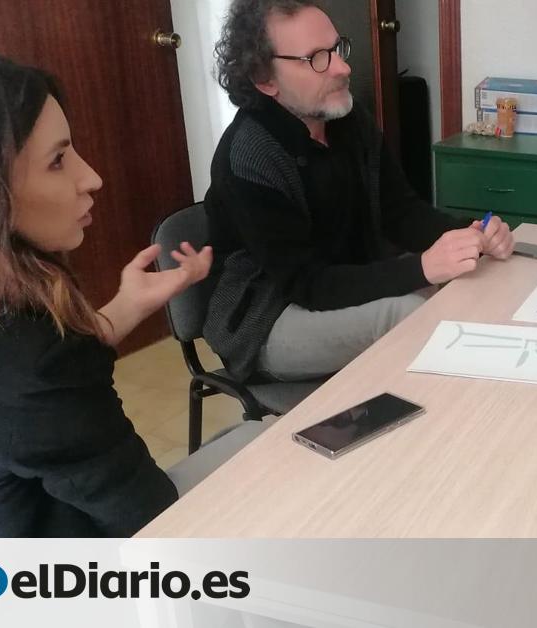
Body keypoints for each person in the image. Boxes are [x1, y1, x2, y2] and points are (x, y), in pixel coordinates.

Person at [0, 49, 218, 536]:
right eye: (57, 160)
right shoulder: (31, 362)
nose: (91, 178)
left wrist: (128, 305)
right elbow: (151, 517)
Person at [204, 0, 514, 382]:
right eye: (317, 58)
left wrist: (472, 232)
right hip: (269, 318)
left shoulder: (347, 120)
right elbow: (308, 284)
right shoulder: (250, 157)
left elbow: (400, 212)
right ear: (264, 79)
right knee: (407, 313)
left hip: (338, 285)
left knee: (463, 284)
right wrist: (422, 267)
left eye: (337, 48)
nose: (343, 67)